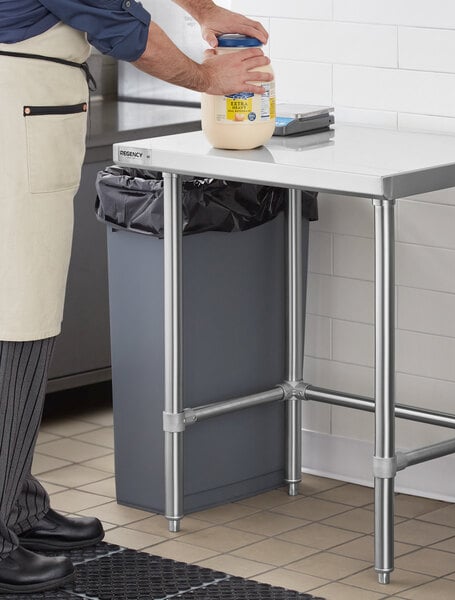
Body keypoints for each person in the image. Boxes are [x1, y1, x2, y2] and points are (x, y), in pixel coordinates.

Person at [0, 0, 271, 594]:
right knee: (16, 315)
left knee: (26, 305)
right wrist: (210, 79)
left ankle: (14, 506)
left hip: (29, 101)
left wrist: (203, 12)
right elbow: (123, 29)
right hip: (14, 106)